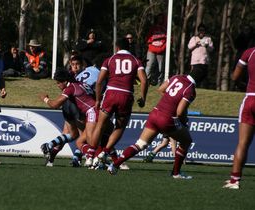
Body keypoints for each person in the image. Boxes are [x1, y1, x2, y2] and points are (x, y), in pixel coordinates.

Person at [107, 73, 196, 178]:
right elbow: (180, 112)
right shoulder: (190, 89)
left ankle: (115, 164)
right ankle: (176, 173)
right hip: (167, 119)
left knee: (140, 144)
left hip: (155, 113)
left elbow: (161, 89)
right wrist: (183, 120)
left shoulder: (177, 77)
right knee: (186, 141)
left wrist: (170, 100)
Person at [87, 38, 147, 168]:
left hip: (111, 94)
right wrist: (143, 98)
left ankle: (90, 156)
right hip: (126, 95)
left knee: (100, 125)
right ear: (128, 47)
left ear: (117, 47)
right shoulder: (136, 61)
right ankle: (105, 152)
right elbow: (144, 80)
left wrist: (97, 99)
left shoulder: (109, 60)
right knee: (119, 127)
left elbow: (99, 81)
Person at [39, 68, 103, 167]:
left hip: (89, 112)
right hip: (94, 111)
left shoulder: (70, 88)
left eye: (58, 83)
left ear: (65, 81)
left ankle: (97, 160)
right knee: (80, 139)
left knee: (84, 139)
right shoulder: (81, 83)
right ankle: (85, 158)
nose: (58, 85)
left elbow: (55, 104)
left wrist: (45, 99)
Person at [223, 46, 255, 189]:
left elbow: (235, 76)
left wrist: (242, 85)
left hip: (250, 99)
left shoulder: (249, 52)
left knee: (242, 143)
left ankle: (234, 181)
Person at [187, 23, 214, 88]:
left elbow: (212, 49)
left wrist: (207, 46)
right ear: (198, 31)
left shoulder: (208, 39)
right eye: (200, 30)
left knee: (203, 75)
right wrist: (196, 43)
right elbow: (189, 47)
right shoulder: (194, 38)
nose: (202, 32)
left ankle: (202, 87)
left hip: (204, 61)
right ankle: (191, 87)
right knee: (193, 76)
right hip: (195, 61)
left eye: (203, 30)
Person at [145, 14, 167, 86]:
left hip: (161, 51)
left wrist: (163, 47)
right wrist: (150, 46)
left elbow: (169, 40)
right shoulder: (152, 28)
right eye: (159, 18)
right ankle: (146, 81)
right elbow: (147, 39)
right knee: (149, 65)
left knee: (160, 68)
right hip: (151, 50)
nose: (160, 20)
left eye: (161, 18)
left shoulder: (165, 29)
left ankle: (159, 83)